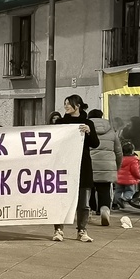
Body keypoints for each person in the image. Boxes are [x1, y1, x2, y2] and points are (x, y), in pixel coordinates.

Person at [56, 95, 99, 242]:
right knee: (61, 199)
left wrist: (89, 132)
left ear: (78, 105)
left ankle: (82, 230)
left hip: (83, 166)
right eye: (65, 104)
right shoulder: (60, 123)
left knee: (84, 202)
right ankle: (58, 230)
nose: (66, 106)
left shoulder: (88, 123)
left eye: (69, 104)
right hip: (64, 165)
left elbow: (95, 143)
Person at [88, 109, 123, 226]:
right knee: (104, 189)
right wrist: (116, 167)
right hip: (107, 165)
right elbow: (119, 152)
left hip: (89, 164)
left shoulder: (85, 129)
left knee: (88, 189)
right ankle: (104, 209)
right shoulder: (111, 132)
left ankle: (89, 210)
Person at [115, 141, 140, 210]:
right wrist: (139, 176)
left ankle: (115, 203)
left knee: (118, 191)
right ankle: (123, 199)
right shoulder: (133, 160)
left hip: (119, 179)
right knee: (130, 191)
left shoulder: (119, 158)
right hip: (129, 180)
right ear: (132, 151)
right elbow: (135, 171)